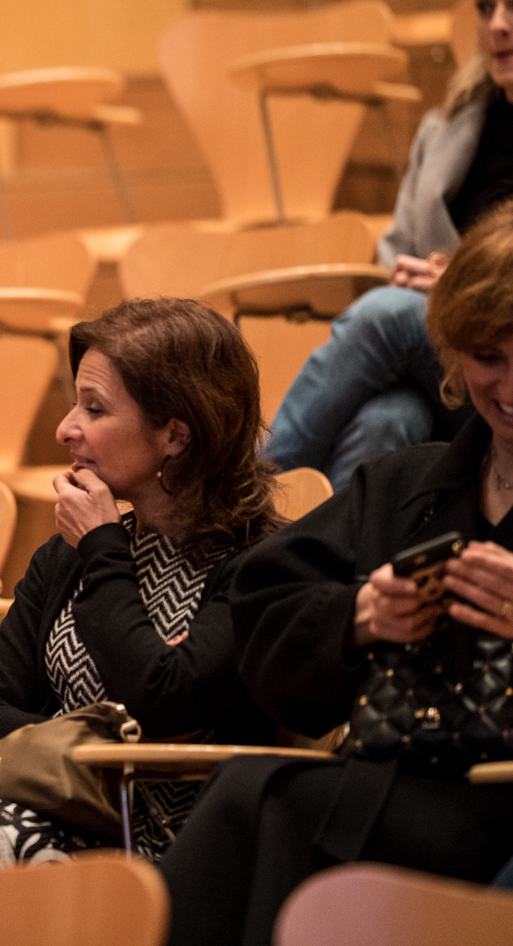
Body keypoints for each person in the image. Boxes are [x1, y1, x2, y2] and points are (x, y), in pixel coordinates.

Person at [161, 205, 513, 946]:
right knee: (253, 797)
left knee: (276, 808)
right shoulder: (406, 483)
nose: (511, 386)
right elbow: (262, 600)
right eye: (490, 356)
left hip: (497, 813)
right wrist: (357, 617)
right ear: (454, 354)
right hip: (397, 789)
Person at [0, 299, 281, 864]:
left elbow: (162, 700)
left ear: (175, 435)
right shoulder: (67, 555)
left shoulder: (261, 565)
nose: (65, 429)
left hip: (174, 841)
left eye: (94, 409)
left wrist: (103, 551)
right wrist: (89, 741)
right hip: (53, 809)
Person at [267, 0, 513, 489]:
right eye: (484, 7)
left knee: (383, 316)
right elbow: (396, 255)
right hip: (445, 364)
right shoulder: (444, 130)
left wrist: (463, 288)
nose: (497, 24)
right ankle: (312, 546)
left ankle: (240, 501)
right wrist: (413, 280)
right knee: (386, 421)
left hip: (497, 353)